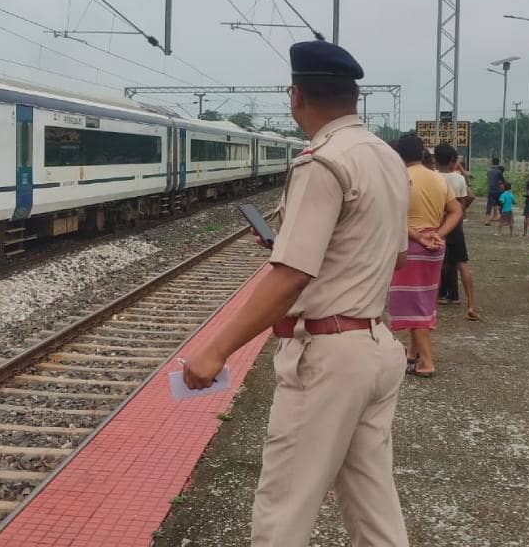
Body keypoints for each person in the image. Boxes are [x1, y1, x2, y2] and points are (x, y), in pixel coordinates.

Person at [181, 40, 411, 546]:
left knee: (283, 511)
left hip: (326, 357)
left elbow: (290, 275)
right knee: (373, 504)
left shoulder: (321, 162)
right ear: (355, 97)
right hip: (376, 346)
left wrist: (216, 350)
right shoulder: (386, 158)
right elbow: (392, 255)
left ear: (295, 95)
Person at [388, 134, 463, 378]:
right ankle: (413, 352)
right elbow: (456, 211)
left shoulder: (399, 178)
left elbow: (393, 217)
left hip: (409, 246)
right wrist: (438, 234)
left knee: (415, 304)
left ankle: (427, 362)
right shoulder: (438, 179)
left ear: (398, 154)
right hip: (433, 248)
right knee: (422, 301)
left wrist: (419, 237)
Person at [435, 143, 480, 321]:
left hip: (439, 224)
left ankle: (432, 303)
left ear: (435, 160)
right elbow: (464, 200)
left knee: (436, 265)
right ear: (453, 161)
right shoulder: (459, 179)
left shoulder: (434, 177)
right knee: (463, 264)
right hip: (456, 225)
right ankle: (471, 304)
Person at [484, 158, 503, 225]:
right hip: (498, 190)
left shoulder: (489, 171)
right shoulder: (499, 172)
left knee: (489, 205)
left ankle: (487, 220)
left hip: (490, 190)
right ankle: (503, 218)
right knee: (501, 204)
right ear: (498, 163)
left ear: (492, 162)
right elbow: (502, 180)